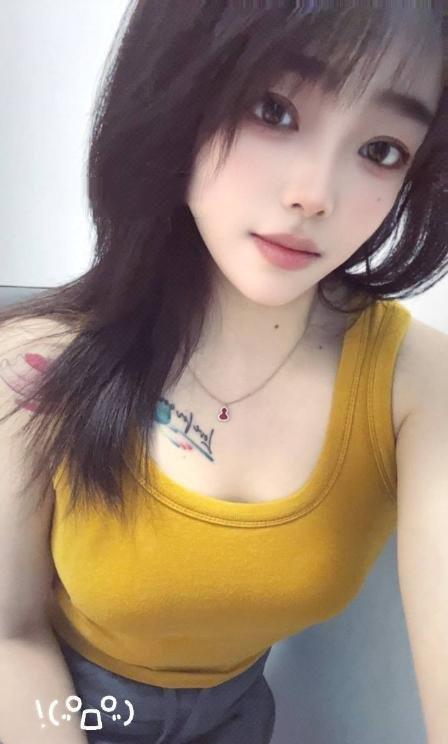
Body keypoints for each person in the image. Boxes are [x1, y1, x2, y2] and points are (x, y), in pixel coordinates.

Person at [0, 3, 447, 743]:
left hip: (240, 714)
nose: (315, 194)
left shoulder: (415, 384)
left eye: (381, 149)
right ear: (177, 92)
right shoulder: (35, 364)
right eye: (273, 110)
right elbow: (8, 636)